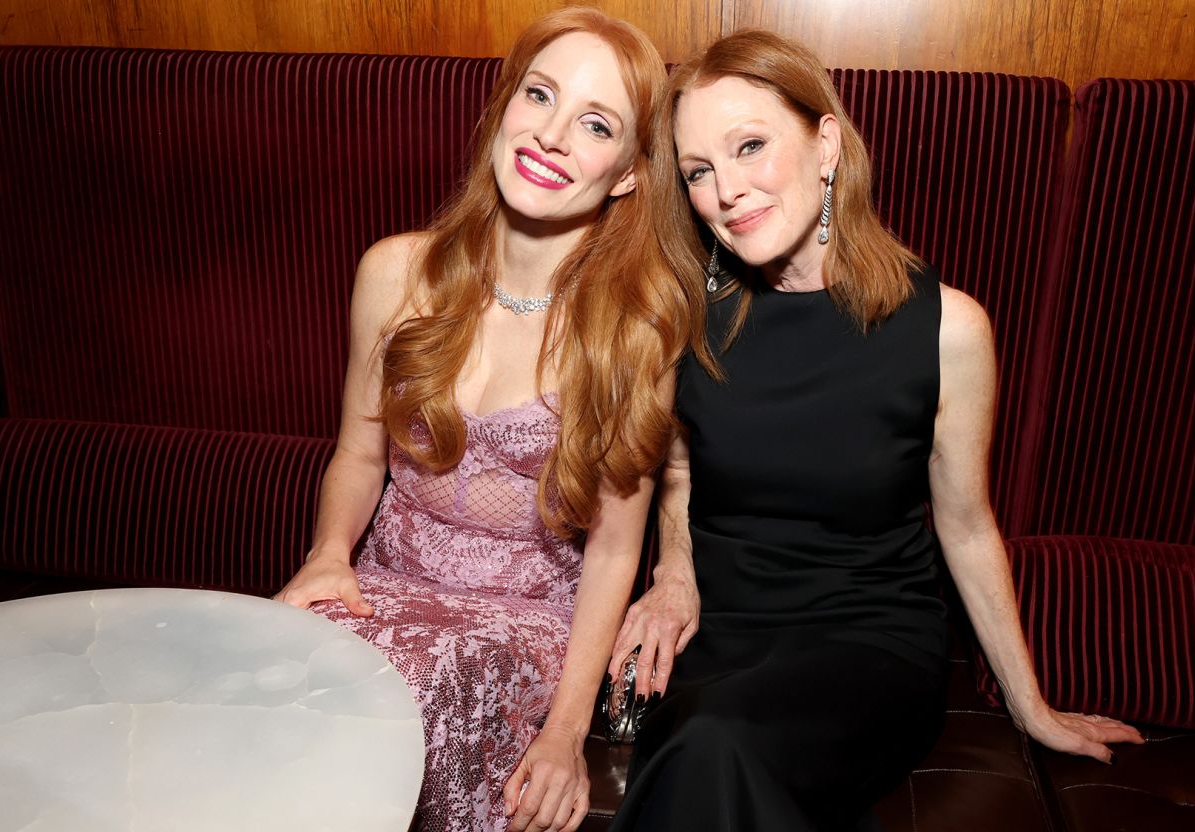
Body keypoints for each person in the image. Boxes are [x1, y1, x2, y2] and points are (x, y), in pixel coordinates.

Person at [607, 29, 1144, 831]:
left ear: (825, 145)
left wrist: (1032, 707)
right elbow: (677, 475)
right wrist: (674, 573)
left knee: (715, 750)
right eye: (698, 171)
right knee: (705, 746)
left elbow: (965, 526)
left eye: (750, 146)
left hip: (868, 643)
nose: (727, 190)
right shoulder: (680, 321)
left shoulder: (946, 330)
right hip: (717, 638)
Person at [272, 10, 698, 832]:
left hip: (523, 616)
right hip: (386, 584)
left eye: (596, 123)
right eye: (539, 95)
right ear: (503, 107)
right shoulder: (394, 272)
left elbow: (615, 547)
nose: (550, 135)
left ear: (625, 175)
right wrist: (328, 555)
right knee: (272, 682)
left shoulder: (635, 328)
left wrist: (567, 734)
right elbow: (358, 459)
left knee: (427, 690)